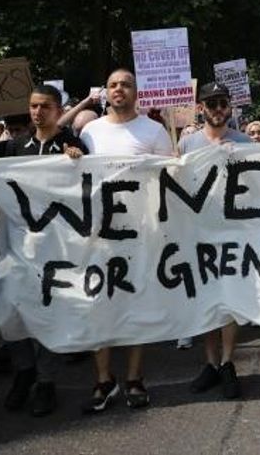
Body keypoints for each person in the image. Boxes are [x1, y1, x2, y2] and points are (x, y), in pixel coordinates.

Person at [0, 85, 87, 417]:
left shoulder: (72, 145)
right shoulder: (13, 147)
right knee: (8, 307)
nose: (37, 112)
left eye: (45, 106)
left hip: (58, 245)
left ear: (58, 108)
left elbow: (86, 189)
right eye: (33, 106)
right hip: (18, 245)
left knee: (49, 310)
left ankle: (46, 381)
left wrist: (78, 164)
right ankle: (24, 370)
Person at [79, 69, 174, 413]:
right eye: (113, 85)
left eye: (126, 84)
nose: (119, 89)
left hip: (140, 233)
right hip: (98, 234)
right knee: (97, 304)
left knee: (137, 305)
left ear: (137, 92)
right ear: (105, 92)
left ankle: (134, 379)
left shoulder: (154, 131)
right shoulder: (89, 132)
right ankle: (104, 380)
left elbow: (170, 177)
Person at [177, 83, 252, 400]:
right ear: (201, 108)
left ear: (230, 107)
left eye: (222, 103)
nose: (217, 108)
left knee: (230, 298)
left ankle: (227, 362)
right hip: (198, 232)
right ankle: (210, 363)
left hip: (233, 231)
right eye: (211, 104)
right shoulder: (187, 143)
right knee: (206, 298)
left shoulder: (245, 141)